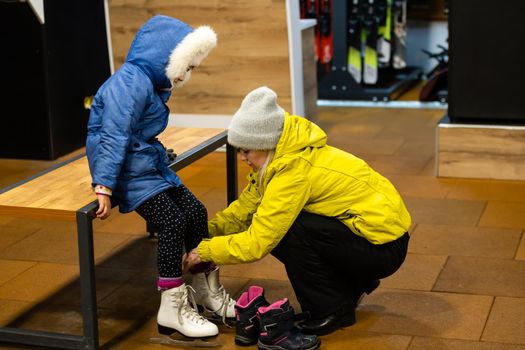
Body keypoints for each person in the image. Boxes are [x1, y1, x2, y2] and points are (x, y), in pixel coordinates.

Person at [185, 86, 411, 336]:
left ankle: (329, 309)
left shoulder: (292, 172)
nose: (241, 157)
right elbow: (246, 209)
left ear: (265, 143)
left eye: (245, 150)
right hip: (371, 236)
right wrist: (204, 233)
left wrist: (207, 251)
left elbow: (257, 243)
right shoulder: (281, 157)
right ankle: (347, 289)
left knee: (288, 232)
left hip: (382, 248)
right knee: (283, 222)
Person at [85, 15, 235, 340]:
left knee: (195, 212)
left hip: (146, 166)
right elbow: (112, 136)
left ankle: (204, 288)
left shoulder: (148, 82)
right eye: (186, 66)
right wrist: (104, 186)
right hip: (126, 172)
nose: (186, 76)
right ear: (164, 58)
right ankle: (171, 308)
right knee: (171, 222)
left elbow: (138, 134)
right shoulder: (128, 85)